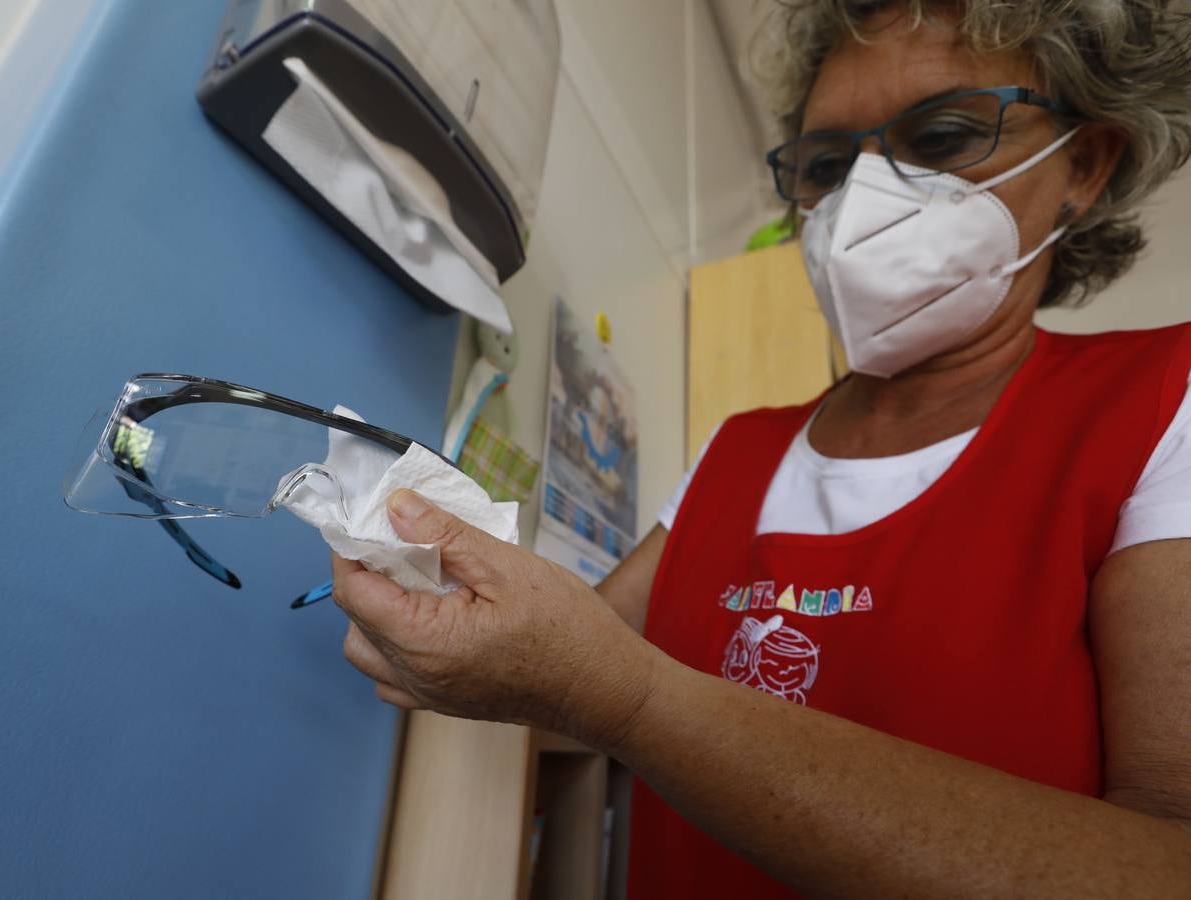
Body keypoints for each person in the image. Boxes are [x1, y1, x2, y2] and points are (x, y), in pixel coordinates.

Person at [332, 1, 1191, 895]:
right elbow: (569, 646)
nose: (865, 199)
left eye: (940, 138)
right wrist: (429, 595)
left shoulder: (1159, 404)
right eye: (826, 165)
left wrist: (632, 702)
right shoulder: (741, 449)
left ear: (1086, 165)